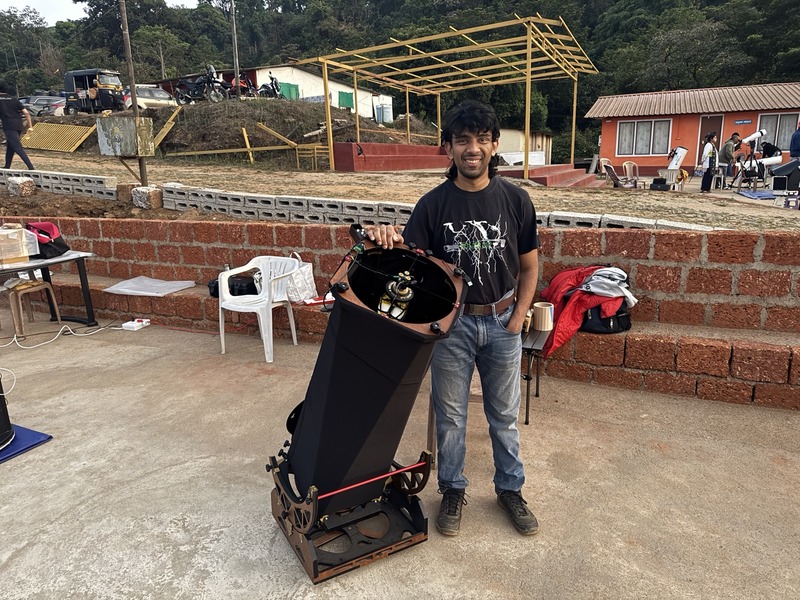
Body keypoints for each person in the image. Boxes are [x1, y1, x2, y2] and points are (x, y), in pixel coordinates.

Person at [366, 100, 540, 537]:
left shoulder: (516, 200)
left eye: (482, 139)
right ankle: (452, 489)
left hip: (502, 322)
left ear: (495, 145)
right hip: (452, 327)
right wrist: (385, 236)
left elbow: (530, 265)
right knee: (451, 416)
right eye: (462, 140)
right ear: (448, 147)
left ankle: (510, 490)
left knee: (504, 416)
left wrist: (519, 315)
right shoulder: (432, 206)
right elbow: (410, 262)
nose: (472, 148)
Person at [0, 82, 35, 170]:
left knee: (17, 147)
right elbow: (26, 113)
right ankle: (7, 166)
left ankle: (31, 167)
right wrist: (30, 126)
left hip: (8, 126)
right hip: (18, 125)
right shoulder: (14, 99)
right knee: (10, 146)